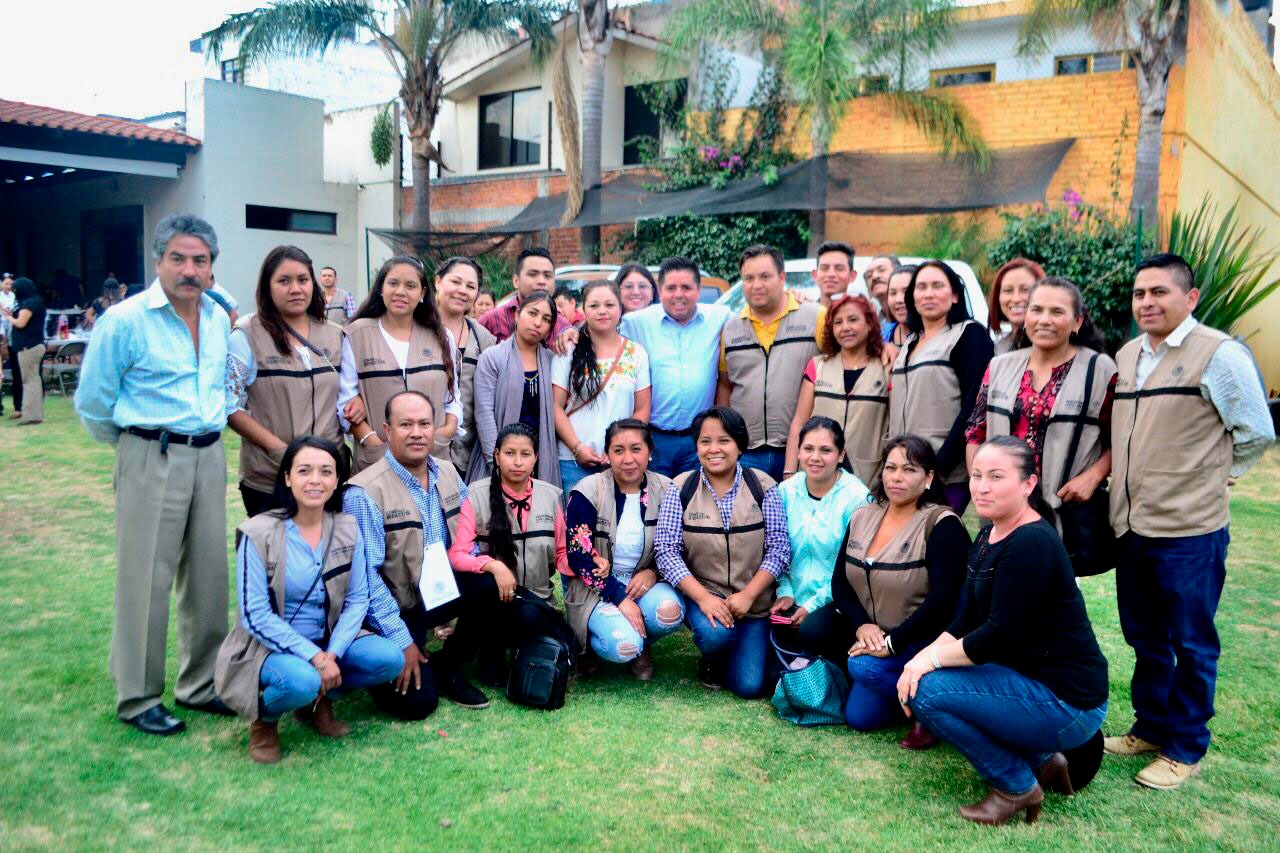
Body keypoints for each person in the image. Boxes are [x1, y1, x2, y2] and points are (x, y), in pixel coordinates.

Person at [1105, 253, 1274, 790]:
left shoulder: (1219, 354)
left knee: (1191, 641)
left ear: (1190, 297)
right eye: (1140, 293)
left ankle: (1185, 746)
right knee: (1145, 636)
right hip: (1132, 525)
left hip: (1191, 531)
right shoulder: (1128, 354)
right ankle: (1150, 727)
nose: (1147, 302)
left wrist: (1220, 474)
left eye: (1159, 292)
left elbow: (1256, 430)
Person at [74, 213, 233, 735]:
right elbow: (93, 402)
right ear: (158, 261)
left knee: (208, 577)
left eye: (200, 260)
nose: (190, 270)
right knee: (145, 578)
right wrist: (136, 448)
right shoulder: (124, 321)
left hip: (208, 454)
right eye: (178, 259)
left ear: (211, 266)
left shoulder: (216, 317)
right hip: (150, 452)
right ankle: (138, 696)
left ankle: (201, 683)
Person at [902, 437, 1110, 825]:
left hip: (1069, 702)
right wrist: (919, 659)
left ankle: (1015, 785)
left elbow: (997, 637)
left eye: (996, 477)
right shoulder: (989, 535)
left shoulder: (1031, 542)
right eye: (977, 475)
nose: (982, 487)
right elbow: (967, 617)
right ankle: (1043, 761)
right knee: (923, 679)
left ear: (1028, 484)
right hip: (1031, 682)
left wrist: (928, 664)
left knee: (927, 692)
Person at [215, 436, 403, 763]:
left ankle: (318, 701)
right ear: (288, 477)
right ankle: (265, 720)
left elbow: (358, 599)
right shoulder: (257, 533)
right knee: (301, 680)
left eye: (326, 472)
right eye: (304, 471)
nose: (315, 480)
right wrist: (316, 658)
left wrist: (333, 652)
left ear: (337, 479)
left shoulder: (347, 527)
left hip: (329, 637)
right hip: (271, 646)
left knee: (389, 658)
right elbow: (254, 615)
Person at [343, 391, 493, 717]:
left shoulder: (448, 472)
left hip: (440, 592)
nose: (416, 433)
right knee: (417, 704)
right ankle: (394, 654)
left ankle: (449, 663)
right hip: (396, 606)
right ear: (387, 430)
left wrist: (490, 565)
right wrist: (402, 640)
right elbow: (366, 581)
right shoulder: (365, 492)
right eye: (406, 424)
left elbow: (468, 541)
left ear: (434, 427)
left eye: (424, 424)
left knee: (489, 585)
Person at [824, 435, 969, 747]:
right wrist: (862, 626)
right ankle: (912, 696)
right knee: (860, 718)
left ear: (929, 477)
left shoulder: (942, 524)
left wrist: (891, 644)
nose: (896, 477)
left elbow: (944, 601)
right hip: (876, 634)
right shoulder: (863, 514)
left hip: (921, 638)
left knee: (861, 666)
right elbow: (840, 581)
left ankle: (930, 704)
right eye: (890, 468)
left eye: (909, 469)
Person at [654, 407, 790, 698]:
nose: (714, 449)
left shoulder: (763, 485)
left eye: (724, 441)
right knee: (715, 635)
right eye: (705, 441)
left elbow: (779, 548)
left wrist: (749, 595)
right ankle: (712, 656)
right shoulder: (681, 487)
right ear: (696, 447)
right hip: (704, 593)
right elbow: (666, 551)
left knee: (749, 685)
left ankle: (741, 647)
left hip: (753, 601)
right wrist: (703, 598)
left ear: (740, 446)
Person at [225, 245, 363, 516]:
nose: (295, 289)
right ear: (267, 286)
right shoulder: (246, 335)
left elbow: (348, 392)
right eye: (284, 281)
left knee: (330, 543)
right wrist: (281, 451)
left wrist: (357, 402)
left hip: (328, 476)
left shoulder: (336, 335)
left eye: (302, 280)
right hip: (270, 477)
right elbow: (229, 405)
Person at [966, 276, 1116, 513]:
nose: (1045, 320)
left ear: (1077, 321)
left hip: (1068, 508)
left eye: (1057, 312)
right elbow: (976, 432)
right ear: (1026, 317)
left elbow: (1120, 439)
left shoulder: (1100, 370)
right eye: (1036, 310)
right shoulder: (999, 366)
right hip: (1004, 508)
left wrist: (1093, 476)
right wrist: (980, 483)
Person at [448, 422, 573, 681]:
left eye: (525, 454)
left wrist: (587, 562)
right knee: (519, 614)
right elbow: (458, 555)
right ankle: (490, 650)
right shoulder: (477, 495)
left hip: (537, 599)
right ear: (496, 456)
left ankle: (509, 648)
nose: (517, 462)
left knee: (563, 639)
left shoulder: (550, 496)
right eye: (509, 453)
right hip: (496, 601)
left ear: (535, 457)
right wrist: (493, 566)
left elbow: (562, 554)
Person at [563, 419, 683, 679]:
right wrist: (620, 598)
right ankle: (590, 645)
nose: (628, 459)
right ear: (607, 454)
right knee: (623, 646)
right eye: (618, 450)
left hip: (642, 582)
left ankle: (644, 645)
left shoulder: (667, 489)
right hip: (596, 588)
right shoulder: (587, 491)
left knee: (670, 613)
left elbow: (678, 545)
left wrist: (653, 573)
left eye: (636, 449)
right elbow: (578, 557)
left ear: (650, 452)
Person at [887, 260, 994, 514]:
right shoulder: (911, 341)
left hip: (945, 473)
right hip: (904, 469)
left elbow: (974, 407)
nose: (928, 294)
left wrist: (938, 466)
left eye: (937, 286)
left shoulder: (969, 335)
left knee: (936, 533)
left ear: (955, 295)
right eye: (921, 287)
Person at [345, 255, 462, 473]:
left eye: (410, 285)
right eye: (393, 283)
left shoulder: (441, 335)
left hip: (433, 457)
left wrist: (447, 430)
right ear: (381, 288)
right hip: (376, 462)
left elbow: (452, 397)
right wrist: (372, 441)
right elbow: (346, 401)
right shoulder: (356, 335)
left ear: (422, 293)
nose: (401, 292)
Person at [716, 244, 823, 481]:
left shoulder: (815, 317)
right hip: (746, 451)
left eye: (765, 276)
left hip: (803, 450)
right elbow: (725, 386)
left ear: (782, 277)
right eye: (749, 278)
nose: (757, 285)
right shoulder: (731, 329)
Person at [619, 257, 731, 478]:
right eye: (671, 288)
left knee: (696, 497)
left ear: (698, 290)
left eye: (686, 287)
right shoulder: (636, 323)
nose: (679, 294)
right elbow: (600, 333)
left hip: (699, 440)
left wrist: (795, 297)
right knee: (654, 498)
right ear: (660, 291)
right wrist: (571, 331)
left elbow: (755, 317)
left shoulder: (721, 318)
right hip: (653, 438)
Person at [770, 417, 868, 659]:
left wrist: (811, 606)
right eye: (808, 448)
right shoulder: (785, 491)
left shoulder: (858, 498)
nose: (815, 457)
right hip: (790, 597)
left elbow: (853, 569)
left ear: (841, 455)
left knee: (812, 631)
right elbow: (775, 548)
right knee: (766, 674)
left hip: (836, 598)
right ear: (798, 452)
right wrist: (785, 591)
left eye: (826, 450)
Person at [552, 281, 651, 493]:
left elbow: (642, 409)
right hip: (573, 461)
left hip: (621, 462)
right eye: (594, 305)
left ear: (620, 308)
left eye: (609, 305)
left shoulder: (636, 353)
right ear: (583, 309)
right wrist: (577, 448)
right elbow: (555, 406)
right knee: (577, 515)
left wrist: (621, 447)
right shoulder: (568, 350)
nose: (602, 311)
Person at [784, 294, 888, 485]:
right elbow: (799, 422)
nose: (845, 327)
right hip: (815, 475)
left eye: (853, 320)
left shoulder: (886, 368)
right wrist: (789, 473)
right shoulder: (817, 366)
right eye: (838, 322)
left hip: (868, 477)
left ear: (870, 324)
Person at [468, 292, 561, 486]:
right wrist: (497, 463)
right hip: (497, 459)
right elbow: (484, 413)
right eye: (532, 313)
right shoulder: (493, 357)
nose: (538, 323)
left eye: (546, 319)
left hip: (539, 459)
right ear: (517, 315)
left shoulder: (552, 361)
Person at [433, 257, 496, 472]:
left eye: (470, 286)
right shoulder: (415, 329)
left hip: (467, 459)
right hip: (423, 450)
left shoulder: (483, 338)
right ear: (438, 281)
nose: (462, 291)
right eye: (456, 282)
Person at [477, 247, 574, 343]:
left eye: (547, 276)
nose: (541, 281)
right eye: (533, 274)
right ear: (516, 281)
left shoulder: (564, 327)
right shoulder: (491, 320)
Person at [4, 277, 46, 425]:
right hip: (36, 344)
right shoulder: (37, 301)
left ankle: (30, 415)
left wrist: (9, 317)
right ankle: (36, 413)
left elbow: (21, 323)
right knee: (35, 380)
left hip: (28, 346)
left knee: (28, 381)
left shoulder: (28, 303)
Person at [986, 258, 1045, 356]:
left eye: (1025, 290)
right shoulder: (996, 350)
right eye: (1008, 290)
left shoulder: (1057, 348)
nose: (1016, 299)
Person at [864, 254, 900, 338]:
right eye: (869, 275)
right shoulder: (871, 327)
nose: (874, 276)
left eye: (881, 270)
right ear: (869, 291)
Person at [811, 241, 856, 307]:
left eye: (839, 268)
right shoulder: (802, 312)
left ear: (852, 276)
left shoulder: (864, 312)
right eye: (824, 268)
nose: (831, 274)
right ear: (815, 275)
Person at [884, 264, 914, 347]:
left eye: (906, 292)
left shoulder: (939, 337)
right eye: (893, 293)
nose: (899, 300)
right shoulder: (882, 336)